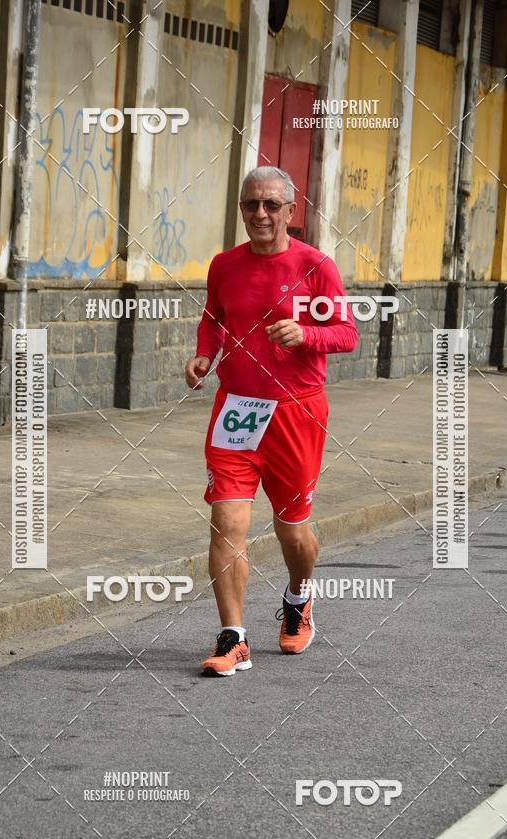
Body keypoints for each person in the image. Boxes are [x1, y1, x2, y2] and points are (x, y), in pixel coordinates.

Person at [184, 166, 358, 676]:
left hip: (296, 412)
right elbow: (214, 318)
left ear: (289, 210)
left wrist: (307, 336)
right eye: (250, 205)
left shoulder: (315, 266)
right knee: (227, 520)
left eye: (269, 205)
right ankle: (234, 636)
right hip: (237, 408)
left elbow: (347, 334)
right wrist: (202, 355)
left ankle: (299, 596)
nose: (259, 214)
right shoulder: (224, 265)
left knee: (292, 530)